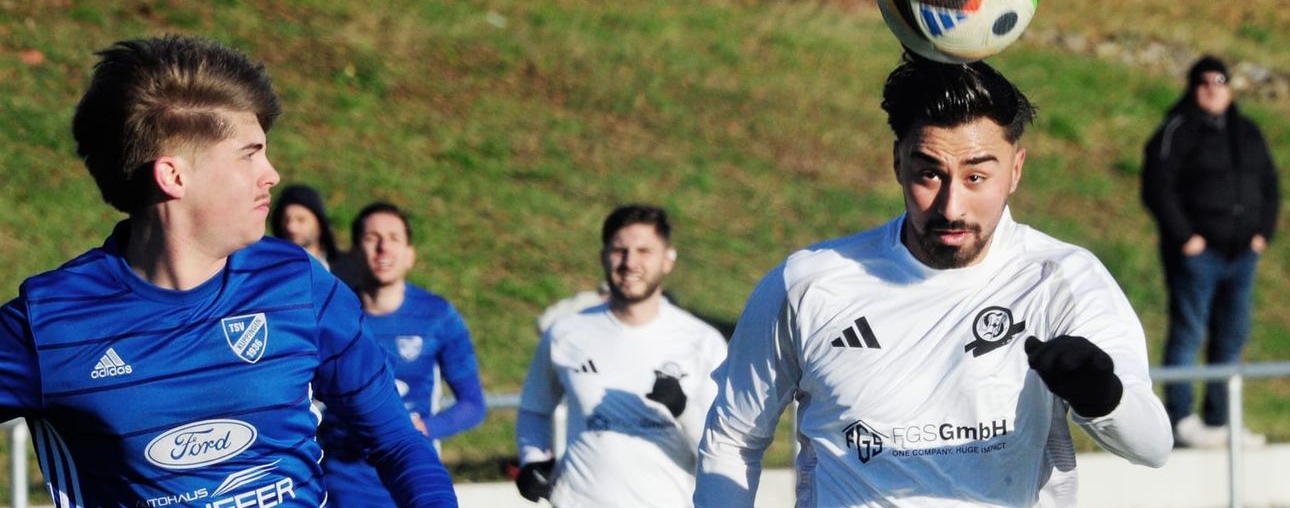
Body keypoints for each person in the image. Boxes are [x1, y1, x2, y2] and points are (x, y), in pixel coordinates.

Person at [694, 55, 1172, 507]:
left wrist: (1099, 393)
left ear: (1015, 170)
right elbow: (733, 438)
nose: (951, 207)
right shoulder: (809, 284)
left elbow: (1152, 445)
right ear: (897, 162)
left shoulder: (1061, 280)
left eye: (976, 177)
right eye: (929, 174)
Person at [0, 36, 457, 507]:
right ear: (174, 176)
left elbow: (399, 444)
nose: (272, 173)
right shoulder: (49, 323)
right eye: (249, 153)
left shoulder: (298, 284)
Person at [515, 204, 728, 507]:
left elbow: (722, 449)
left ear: (668, 260)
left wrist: (682, 408)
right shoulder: (566, 333)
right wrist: (533, 459)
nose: (630, 262)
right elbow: (534, 410)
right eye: (619, 250)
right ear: (604, 256)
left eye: (644, 251)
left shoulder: (702, 342)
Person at [1141, 55, 1280, 448]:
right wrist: (1187, 238)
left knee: (1232, 335)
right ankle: (1181, 418)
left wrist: (1262, 234)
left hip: (1242, 254)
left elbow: (1269, 185)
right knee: (1189, 332)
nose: (1212, 87)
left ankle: (1221, 419)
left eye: (1220, 80)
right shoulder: (1177, 129)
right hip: (1198, 255)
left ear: (1230, 86)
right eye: (1203, 81)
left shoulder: (1247, 131)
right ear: (1192, 86)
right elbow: (1157, 188)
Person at [320, 201, 487, 506]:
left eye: (394, 239)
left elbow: (473, 405)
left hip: (409, 482)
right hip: (340, 485)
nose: (383, 248)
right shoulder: (332, 315)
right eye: (372, 238)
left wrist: (423, 428)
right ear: (356, 252)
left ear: (410, 255)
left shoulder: (438, 315)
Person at [270, 183, 342, 269]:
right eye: (286, 220)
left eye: (301, 220)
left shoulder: (347, 270)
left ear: (319, 224)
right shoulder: (270, 267)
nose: (291, 228)